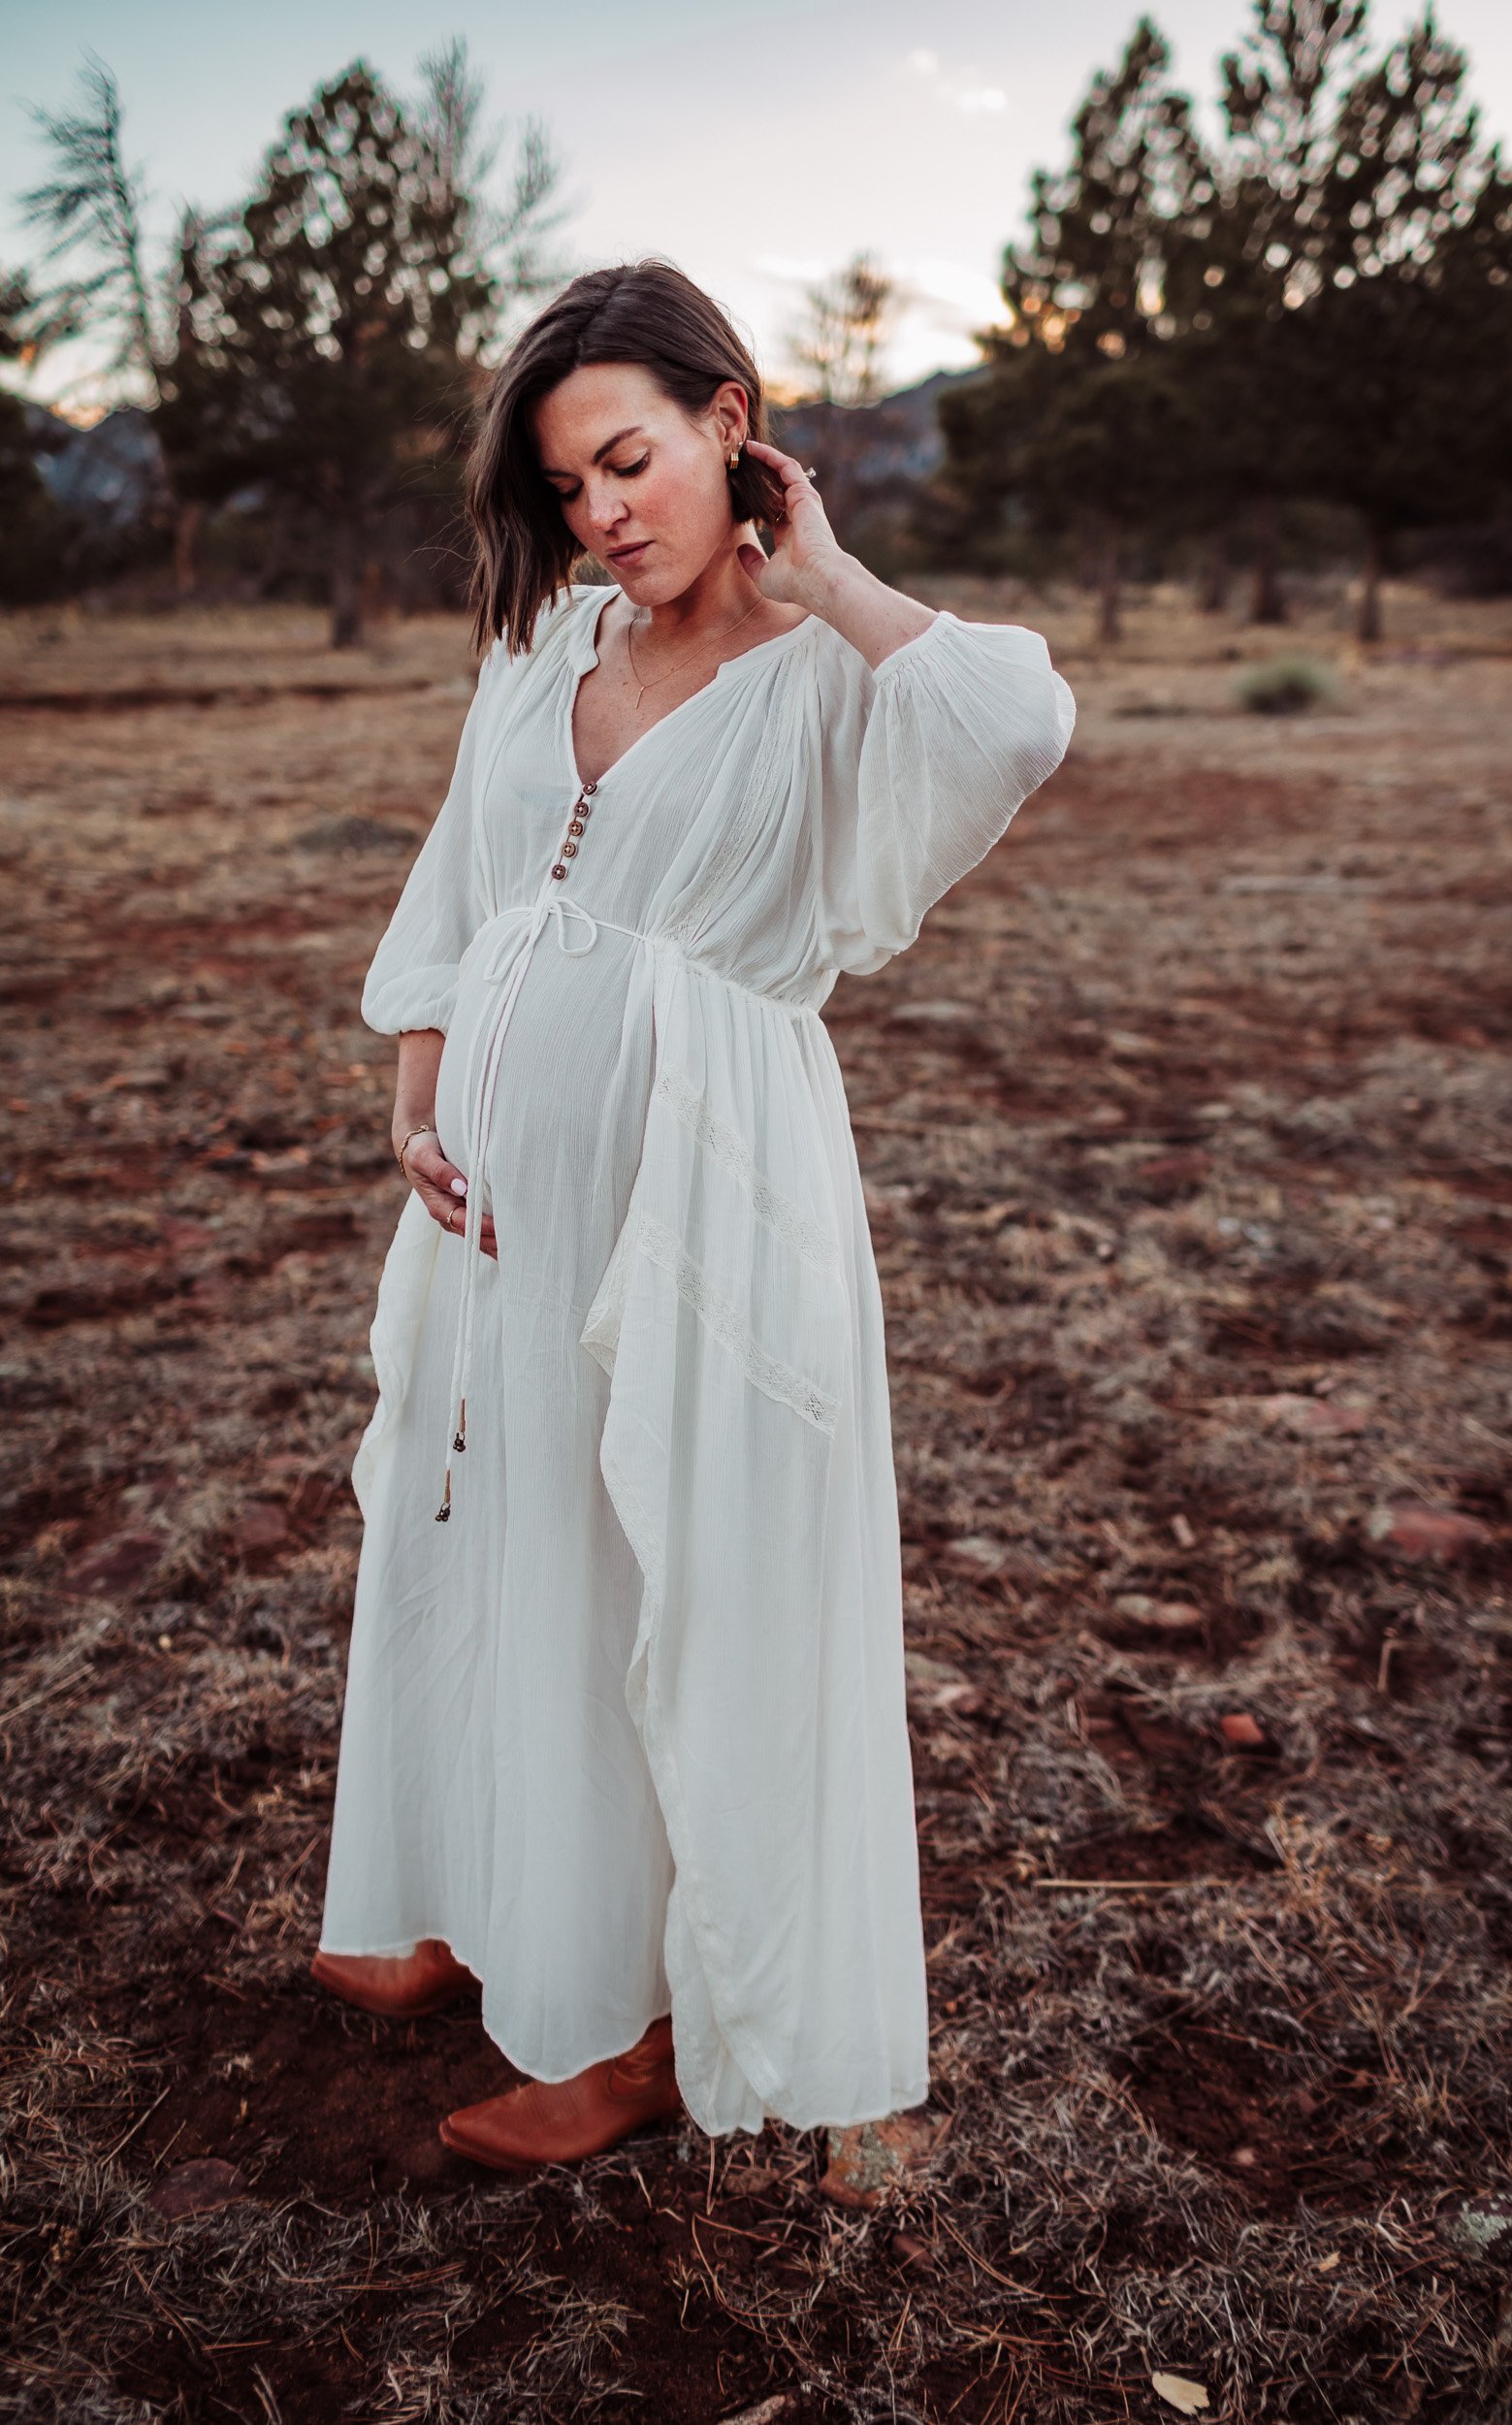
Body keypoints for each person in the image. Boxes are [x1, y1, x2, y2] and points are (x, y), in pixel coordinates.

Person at [309, 258, 1076, 2174]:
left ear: (734, 423)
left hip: (706, 1193)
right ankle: (476, 1891)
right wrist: (420, 1076)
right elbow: (466, 875)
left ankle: (634, 2025)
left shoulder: (831, 673)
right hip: (499, 1204)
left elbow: (1016, 718)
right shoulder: (549, 644)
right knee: (494, 1526)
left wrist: (829, 575)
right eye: (568, 485)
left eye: (632, 460)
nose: (603, 514)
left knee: (658, 1567)